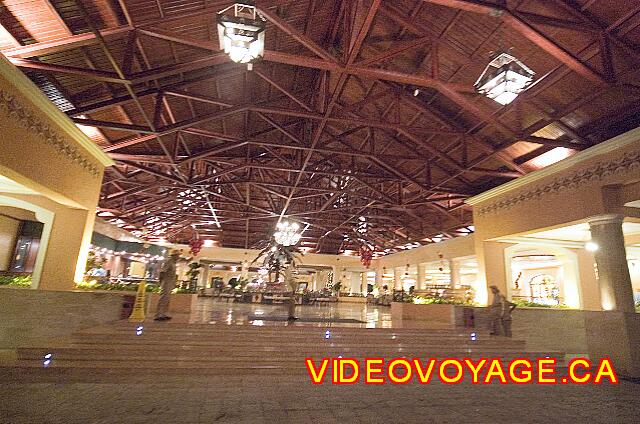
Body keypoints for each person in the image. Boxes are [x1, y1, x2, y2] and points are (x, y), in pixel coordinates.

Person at [154, 250, 180, 321]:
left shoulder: (174, 263)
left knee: (167, 298)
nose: (178, 257)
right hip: (166, 281)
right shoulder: (169, 262)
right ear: (174, 256)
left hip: (170, 282)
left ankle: (164, 313)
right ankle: (159, 314)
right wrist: (161, 281)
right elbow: (162, 272)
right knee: (163, 298)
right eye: (177, 255)